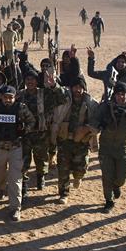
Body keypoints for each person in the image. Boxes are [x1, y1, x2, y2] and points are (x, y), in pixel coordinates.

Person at [0, 85, 35, 221]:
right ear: (1, 97)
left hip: (15, 148)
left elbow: (32, 121)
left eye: (10, 97)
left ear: (15, 97)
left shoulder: (21, 108)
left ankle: (15, 208)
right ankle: (1, 188)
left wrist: (24, 130)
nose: (8, 100)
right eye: (5, 97)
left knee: (15, 178)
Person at [18, 69, 68, 195]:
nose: (30, 82)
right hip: (24, 134)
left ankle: (41, 176)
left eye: (33, 79)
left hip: (41, 133)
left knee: (41, 159)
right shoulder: (20, 95)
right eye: (28, 79)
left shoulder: (44, 94)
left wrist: (54, 86)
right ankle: (24, 185)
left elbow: (62, 99)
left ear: (37, 81)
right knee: (23, 161)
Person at [50, 76, 99, 204]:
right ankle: (64, 193)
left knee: (81, 168)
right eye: (75, 87)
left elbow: (97, 119)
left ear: (84, 88)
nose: (77, 90)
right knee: (63, 168)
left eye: (80, 87)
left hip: (81, 141)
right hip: (65, 139)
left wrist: (88, 129)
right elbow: (58, 91)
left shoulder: (91, 103)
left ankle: (78, 177)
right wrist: (53, 84)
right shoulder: (66, 99)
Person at [96, 81, 126, 213]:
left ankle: (117, 186)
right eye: (118, 94)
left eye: (123, 94)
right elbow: (96, 119)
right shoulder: (107, 107)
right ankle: (108, 201)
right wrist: (96, 127)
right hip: (106, 147)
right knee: (107, 175)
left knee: (122, 177)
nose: (120, 97)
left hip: (122, 148)